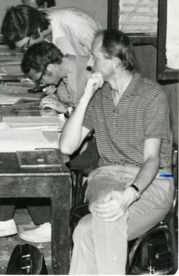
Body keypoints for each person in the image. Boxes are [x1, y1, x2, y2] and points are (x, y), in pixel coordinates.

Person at [60, 29, 174, 274]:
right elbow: (67, 146)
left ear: (114, 61)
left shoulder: (151, 95)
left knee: (86, 230)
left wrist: (130, 194)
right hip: (107, 177)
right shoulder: (99, 98)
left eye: (95, 57)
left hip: (151, 184)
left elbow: (152, 159)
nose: (89, 64)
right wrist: (85, 97)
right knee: (108, 202)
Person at [0, 41, 95, 243]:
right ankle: (22, 219)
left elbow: (91, 123)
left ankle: (44, 222)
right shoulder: (67, 68)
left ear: (50, 68)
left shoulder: (86, 74)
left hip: (97, 146)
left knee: (28, 159)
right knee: (19, 152)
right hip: (76, 136)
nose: (41, 84)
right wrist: (57, 93)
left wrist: (64, 108)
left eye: (40, 79)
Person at [0, 4, 100, 56]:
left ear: (37, 30)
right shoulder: (42, 23)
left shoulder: (74, 22)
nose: (28, 49)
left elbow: (106, 57)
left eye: (27, 45)